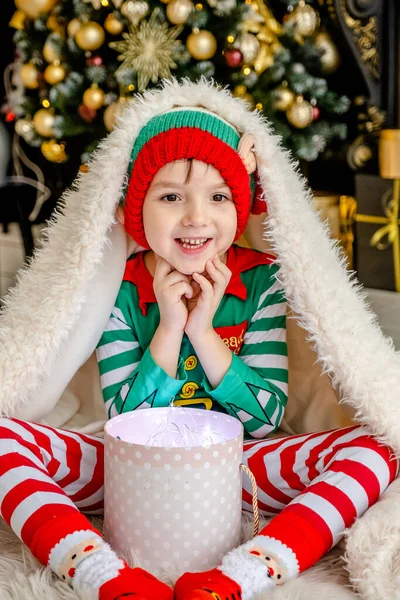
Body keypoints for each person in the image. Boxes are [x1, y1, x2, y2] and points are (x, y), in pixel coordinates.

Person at [0, 88, 397, 600]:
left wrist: (203, 333)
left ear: (239, 206)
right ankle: (104, 575)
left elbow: (266, 417)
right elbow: (125, 421)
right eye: (170, 197)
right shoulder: (119, 286)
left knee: (377, 449)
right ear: (136, 210)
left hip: (242, 467)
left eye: (218, 196)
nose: (196, 217)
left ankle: (248, 571)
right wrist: (168, 328)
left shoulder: (260, 283)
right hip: (127, 472)